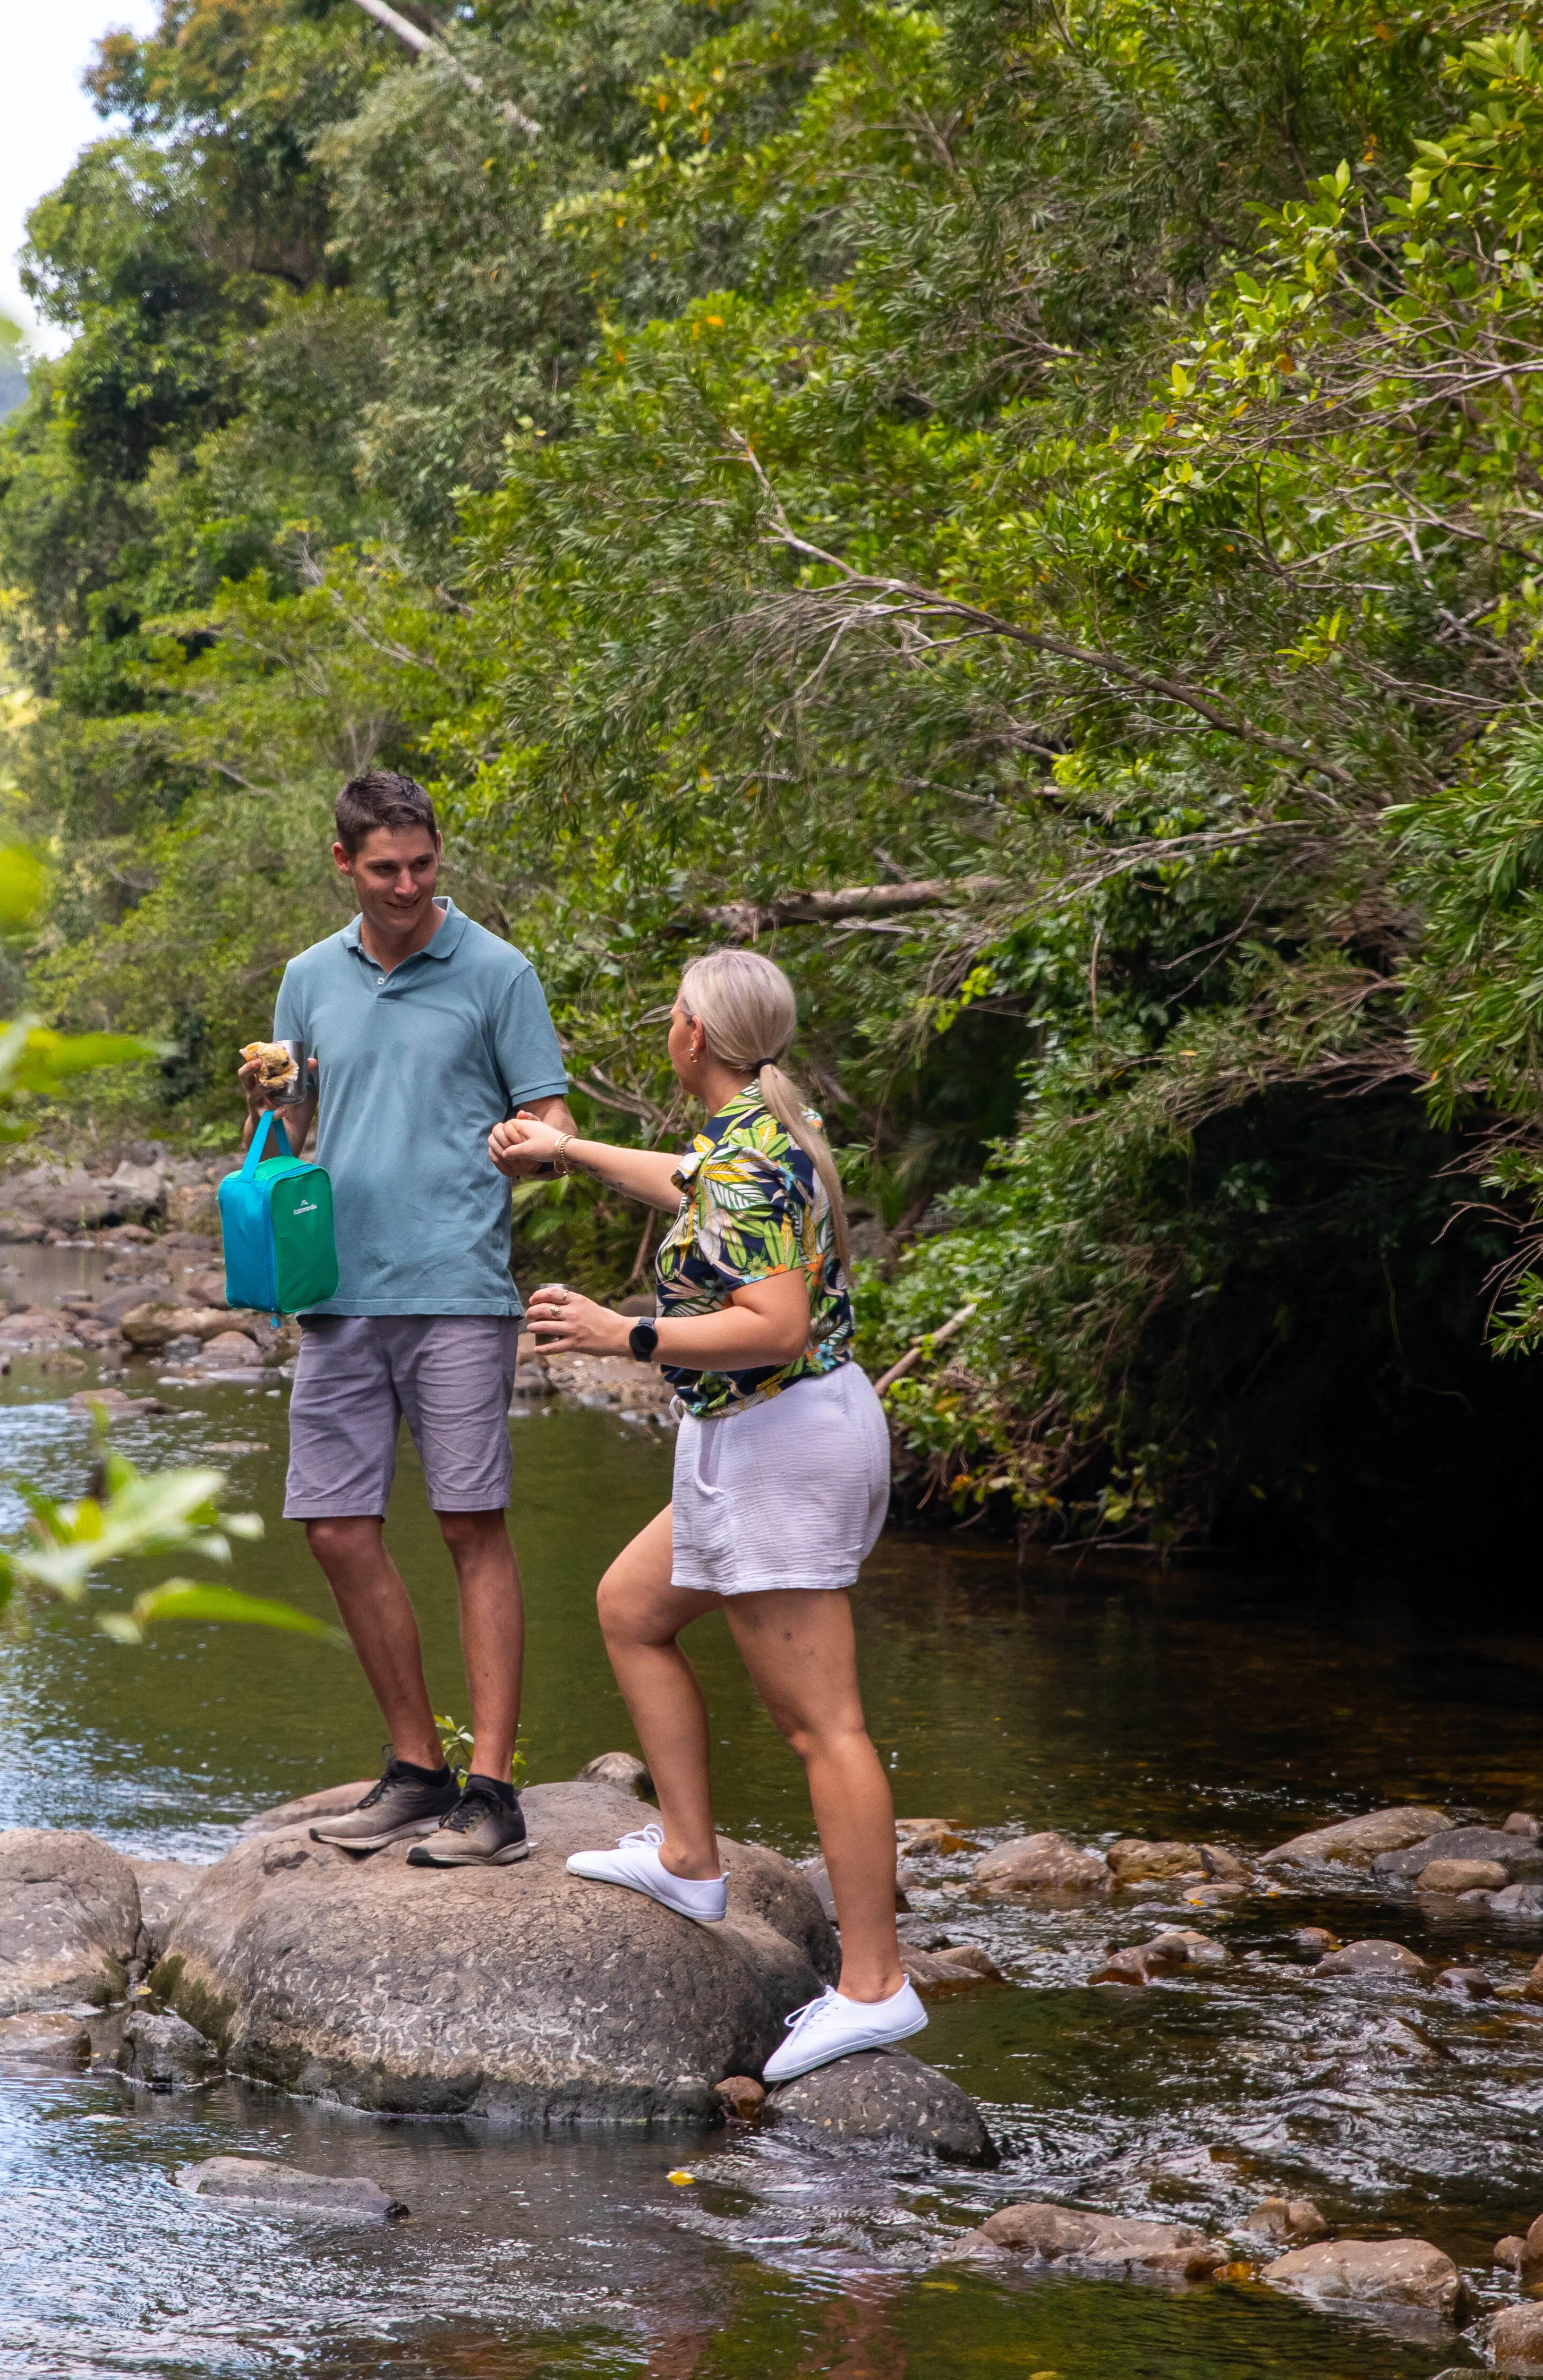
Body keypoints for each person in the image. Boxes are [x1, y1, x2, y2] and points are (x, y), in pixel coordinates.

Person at [488, 948, 917, 2081]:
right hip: (758, 1436)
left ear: (694, 1035)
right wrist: (569, 1149)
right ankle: (686, 1854)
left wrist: (619, 1331)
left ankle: (876, 1985)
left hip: (783, 1438)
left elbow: (773, 1322)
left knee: (824, 1725)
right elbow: (691, 1182)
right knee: (632, 1607)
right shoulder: (756, 1133)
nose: (667, 1023)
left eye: (672, 1010)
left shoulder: (751, 1154)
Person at [242, 769, 572, 1867]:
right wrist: (267, 1106)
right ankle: (416, 1766)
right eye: (384, 868)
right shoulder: (307, 979)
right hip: (336, 1288)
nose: (406, 884)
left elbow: (551, 1110)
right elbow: (295, 1125)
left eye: (422, 864)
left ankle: (495, 1792)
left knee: (471, 1526)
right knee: (336, 1527)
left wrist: (535, 1138)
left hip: (457, 1288)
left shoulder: (496, 969)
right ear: (343, 863)